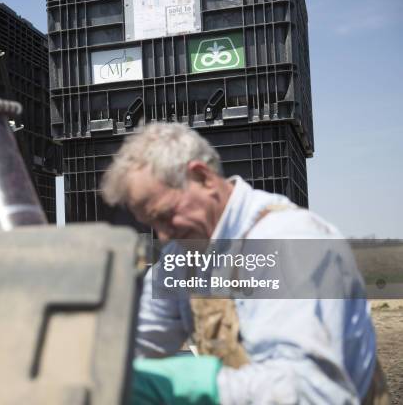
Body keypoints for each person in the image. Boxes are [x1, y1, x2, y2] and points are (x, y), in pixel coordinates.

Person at [100, 123, 389, 404]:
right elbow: (138, 339)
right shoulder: (182, 256)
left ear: (202, 178)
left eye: (165, 215)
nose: (162, 235)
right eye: (152, 223)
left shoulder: (285, 241)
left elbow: (313, 392)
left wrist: (194, 384)